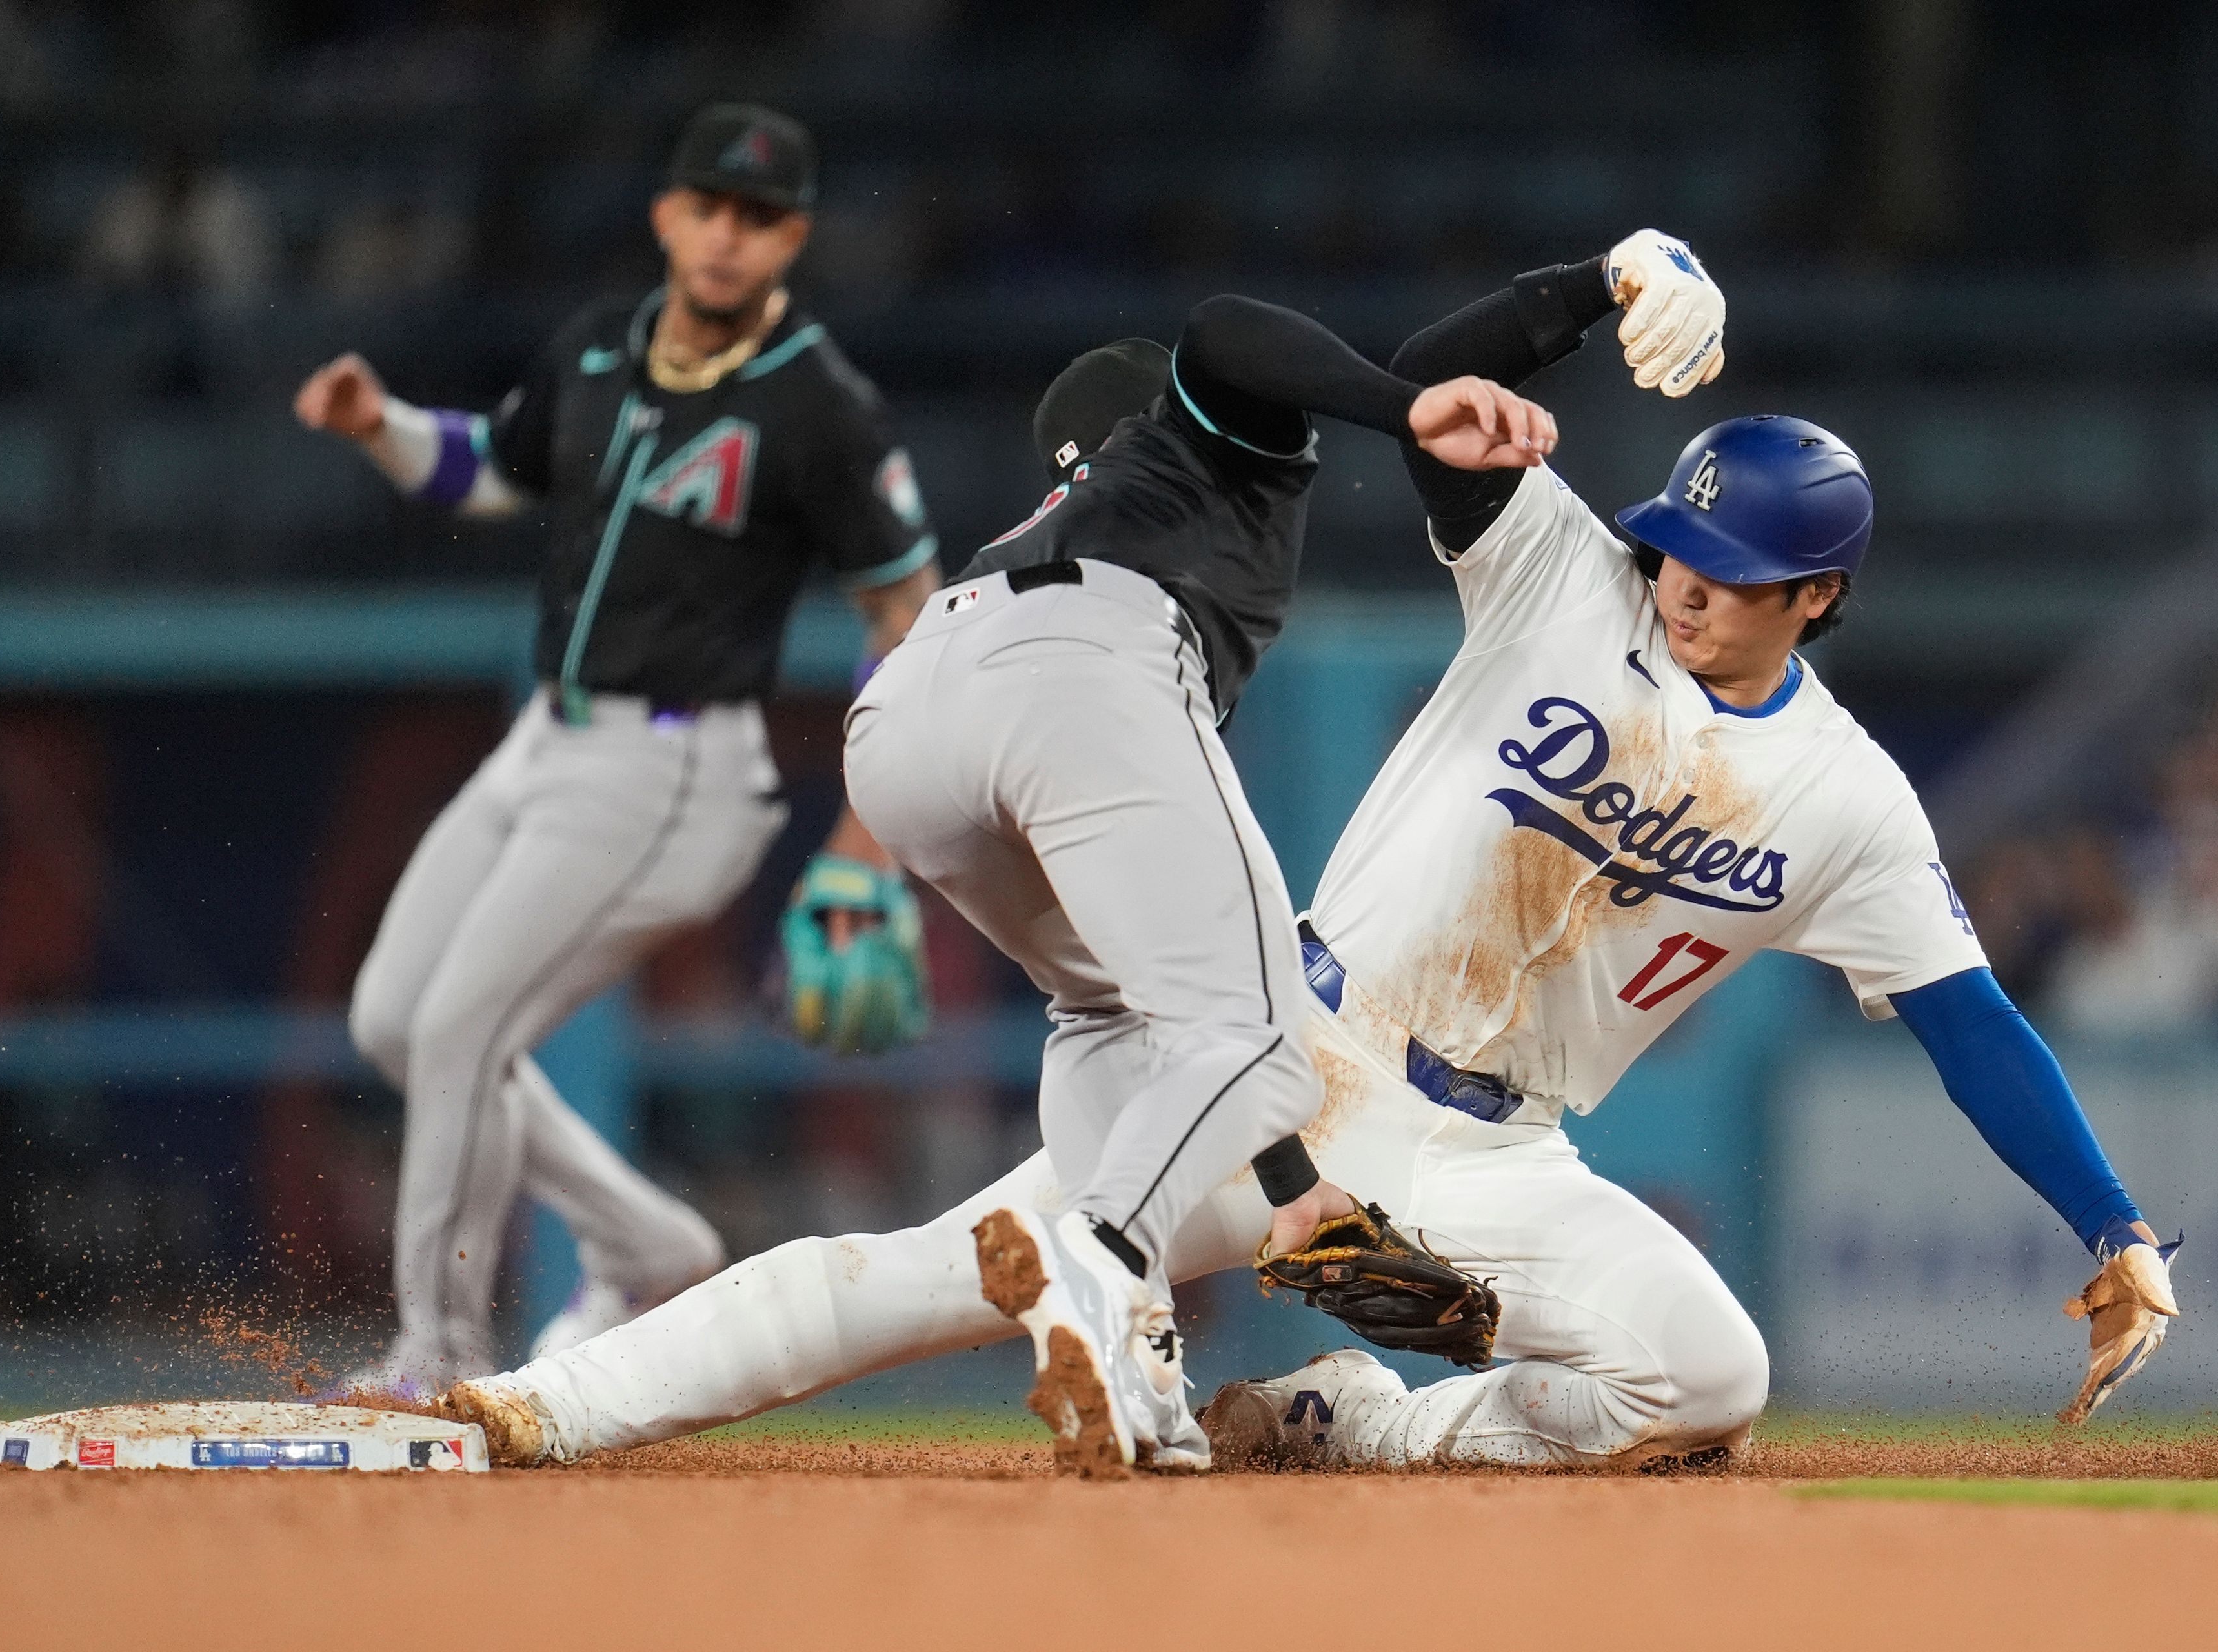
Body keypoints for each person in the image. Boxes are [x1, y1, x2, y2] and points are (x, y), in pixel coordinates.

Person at [439, 229, 1885, 1475]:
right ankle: (1110, 1280)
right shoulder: (1221, 458)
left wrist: (1286, 1188)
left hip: (923, 715)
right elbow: (1236, 339)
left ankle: (545, 1400)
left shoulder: (1058, 518)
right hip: (1102, 705)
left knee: (967, 1226)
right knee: (1244, 1036)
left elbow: (1154, 998)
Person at [290, 103, 942, 1396]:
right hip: (548, 736)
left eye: (758, 217)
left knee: (464, 1024)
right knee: (392, 1021)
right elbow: (489, 468)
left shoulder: (819, 404)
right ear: (666, 214)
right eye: (708, 206)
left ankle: (439, 1350)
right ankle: (649, 1241)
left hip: (675, 763)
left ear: (792, 238)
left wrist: (868, 833)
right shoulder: (601, 346)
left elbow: (907, 613)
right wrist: (380, 423)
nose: (726, 234)